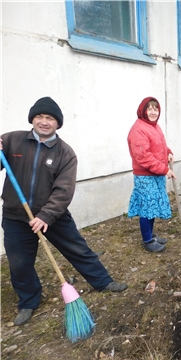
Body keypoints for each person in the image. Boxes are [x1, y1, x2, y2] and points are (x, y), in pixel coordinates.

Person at [1, 97, 128, 326]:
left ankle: (102, 281)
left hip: (52, 215)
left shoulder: (65, 153)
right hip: (15, 215)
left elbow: (64, 190)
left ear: (58, 123)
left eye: (50, 118)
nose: (44, 122)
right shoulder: (12, 141)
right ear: (32, 119)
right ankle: (28, 301)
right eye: (39, 117)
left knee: (78, 248)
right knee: (19, 262)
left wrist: (46, 215)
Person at [127, 97, 176, 253]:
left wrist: (168, 152)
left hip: (156, 174)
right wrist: (164, 169)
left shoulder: (154, 127)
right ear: (143, 110)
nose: (153, 112)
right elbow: (144, 157)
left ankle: (151, 235)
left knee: (152, 206)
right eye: (150, 109)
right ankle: (147, 240)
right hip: (145, 176)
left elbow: (161, 145)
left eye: (156, 109)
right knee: (147, 208)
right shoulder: (138, 129)